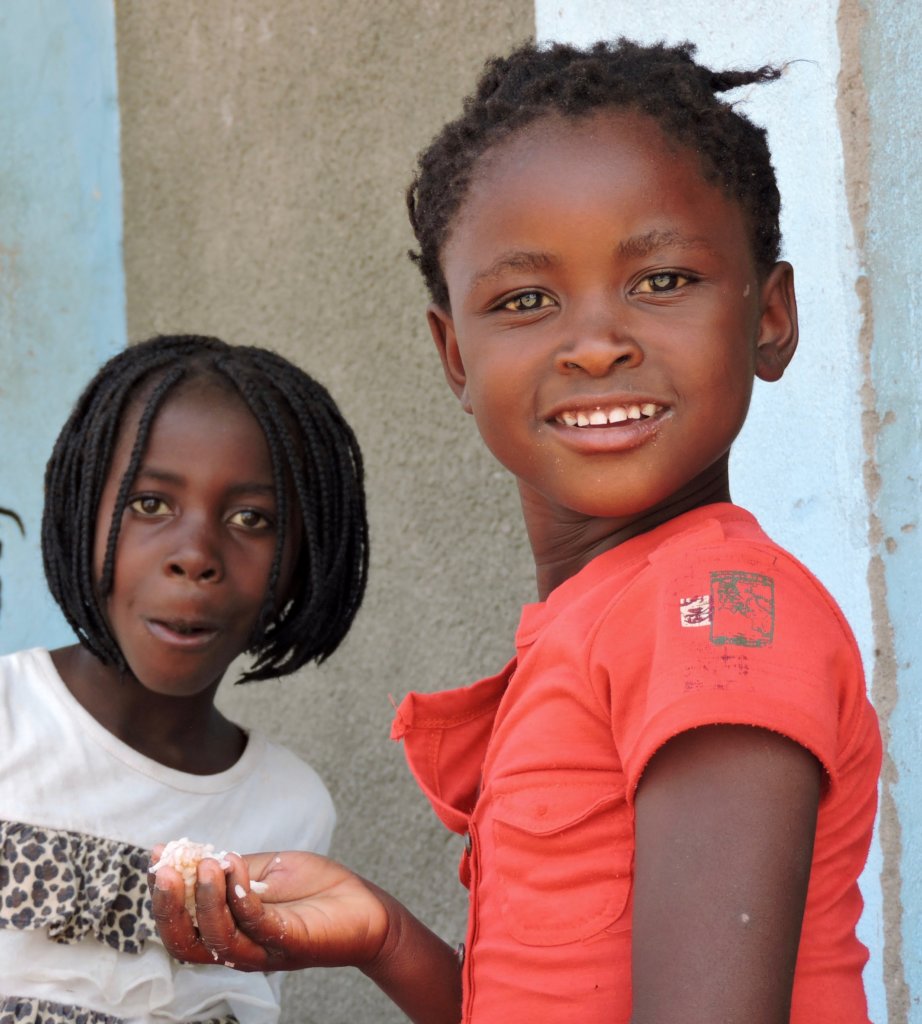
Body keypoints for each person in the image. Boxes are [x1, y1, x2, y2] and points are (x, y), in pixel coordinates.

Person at [150, 40, 882, 1024]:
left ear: (770, 315)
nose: (594, 344)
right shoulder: (605, 618)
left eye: (662, 280)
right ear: (454, 352)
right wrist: (385, 936)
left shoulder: (711, 616)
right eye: (525, 300)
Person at [0, 334, 369, 1024]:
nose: (195, 555)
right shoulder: (8, 719)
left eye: (250, 519)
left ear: (304, 561)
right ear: (82, 509)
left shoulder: (290, 807)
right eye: (150, 505)